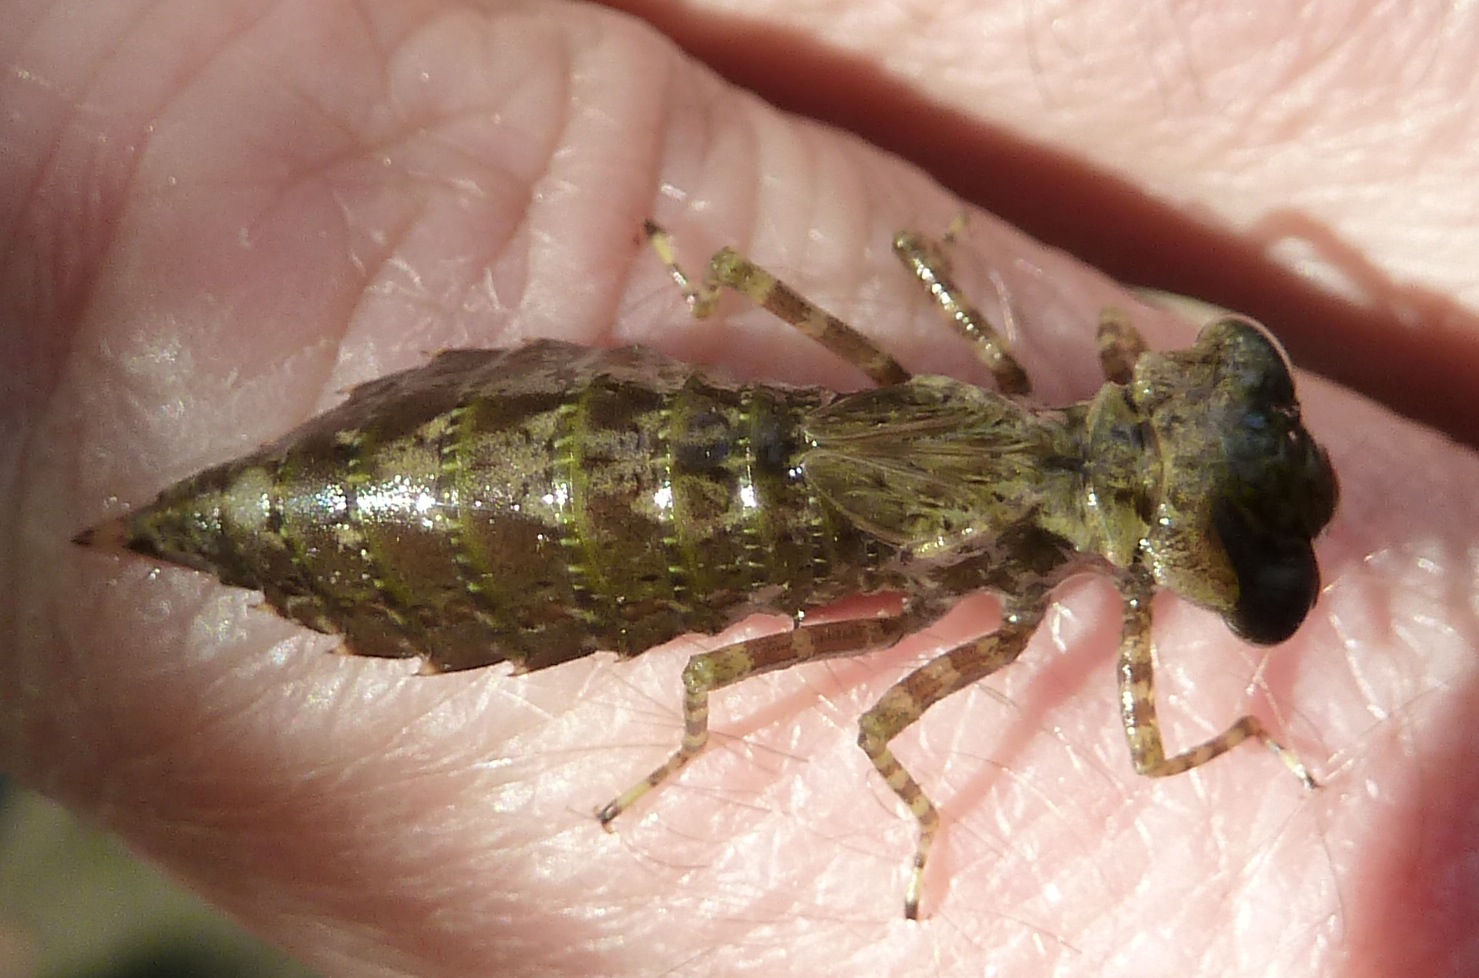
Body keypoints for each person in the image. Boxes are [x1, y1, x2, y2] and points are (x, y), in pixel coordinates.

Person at [2, 1, 1469, 975]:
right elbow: (1065, 748)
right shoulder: (1085, 599)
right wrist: (1253, 750)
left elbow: (912, 270)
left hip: (664, 452)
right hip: (615, 503)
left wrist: (730, 280)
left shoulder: (1038, 382)